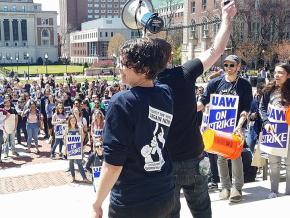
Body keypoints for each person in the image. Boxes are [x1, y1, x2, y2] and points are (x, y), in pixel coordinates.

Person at [156, 1, 237, 217]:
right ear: (170, 57)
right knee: (202, 211)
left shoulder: (145, 86)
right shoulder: (185, 73)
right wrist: (226, 18)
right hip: (194, 157)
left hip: (166, 163)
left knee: (170, 212)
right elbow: (217, 49)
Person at [92, 37, 174, 218]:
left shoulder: (121, 102)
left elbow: (113, 165)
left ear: (144, 69)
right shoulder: (166, 93)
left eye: (124, 63)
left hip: (133, 202)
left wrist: (97, 203)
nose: (120, 67)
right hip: (165, 193)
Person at [198, 54, 253, 203]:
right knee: (220, 156)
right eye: (226, 65)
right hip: (218, 127)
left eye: (232, 65)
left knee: (235, 155)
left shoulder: (245, 85)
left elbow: (246, 108)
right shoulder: (215, 83)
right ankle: (225, 187)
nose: (228, 68)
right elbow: (203, 101)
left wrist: (240, 125)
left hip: (236, 127)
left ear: (238, 67)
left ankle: (237, 188)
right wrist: (189, 110)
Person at [259, 63, 290, 198]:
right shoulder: (269, 90)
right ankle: (273, 191)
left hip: (288, 131)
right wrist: (266, 122)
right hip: (272, 130)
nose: (277, 75)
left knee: (289, 163)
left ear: (288, 75)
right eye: (275, 72)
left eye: (281, 72)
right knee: (274, 162)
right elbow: (262, 108)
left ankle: (288, 191)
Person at [64, 115, 89, 183]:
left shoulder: (79, 128)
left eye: (74, 120)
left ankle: (84, 177)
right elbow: (65, 140)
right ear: (69, 121)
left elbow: (81, 140)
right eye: (71, 120)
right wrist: (65, 150)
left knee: (79, 163)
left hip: (77, 149)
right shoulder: (67, 129)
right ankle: (73, 177)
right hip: (70, 149)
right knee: (71, 163)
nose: (73, 121)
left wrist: (81, 148)